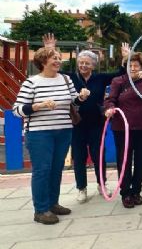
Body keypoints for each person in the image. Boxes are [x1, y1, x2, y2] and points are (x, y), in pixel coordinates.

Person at [42, 33, 128, 203]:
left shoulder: (100, 78)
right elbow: (53, 68)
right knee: (79, 157)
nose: (83, 65)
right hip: (77, 124)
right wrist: (49, 49)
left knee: (98, 156)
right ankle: (81, 188)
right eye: (81, 62)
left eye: (87, 63)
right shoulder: (70, 78)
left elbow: (120, 74)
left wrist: (125, 58)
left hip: (97, 123)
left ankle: (101, 183)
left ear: (93, 65)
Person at [13, 47, 90, 224]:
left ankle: (53, 204)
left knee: (56, 169)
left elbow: (73, 100)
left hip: (64, 130)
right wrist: (37, 106)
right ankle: (40, 210)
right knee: (42, 171)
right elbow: (17, 110)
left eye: (58, 58)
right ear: (42, 62)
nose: (57, 61)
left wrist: (82, 96)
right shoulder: (31, 83)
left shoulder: (65, 79)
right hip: (40, 134)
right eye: (53, 58)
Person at [105, 52, 142, 209]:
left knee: (141, 160)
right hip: (122, 129)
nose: (133, 68)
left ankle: (136, 191)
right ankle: (125, 192)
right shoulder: (118, 81)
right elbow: (110, 100)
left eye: (136, 65)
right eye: (129, 65)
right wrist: (109, 109)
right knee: (124, 161)